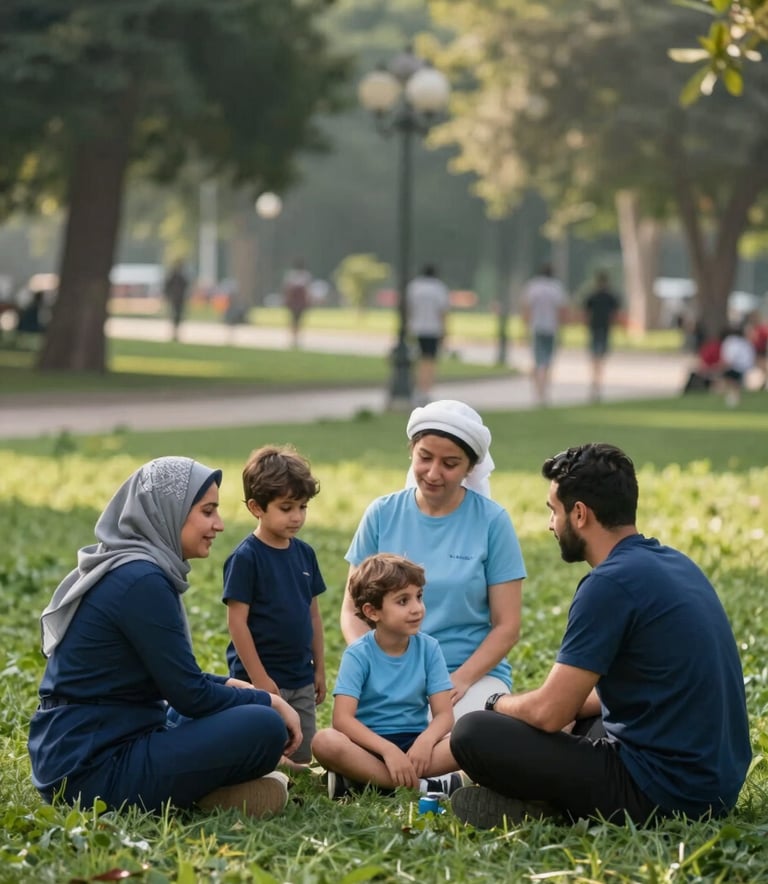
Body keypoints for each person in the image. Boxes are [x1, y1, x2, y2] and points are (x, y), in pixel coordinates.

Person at [449, 443, 751, 829]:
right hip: (715, 784)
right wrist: (563, 712)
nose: (550, 525)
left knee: (475, 732)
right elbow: (619, 692)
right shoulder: (674, 562)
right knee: (579, 720)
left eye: (552, 511)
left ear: (579, 514)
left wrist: (494, 702)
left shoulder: (608, 584)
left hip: (666, 795)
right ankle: (549, 801)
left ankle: (549, 810)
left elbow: (547, 712)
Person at [28, 456, 301, 817]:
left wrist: (242, 689)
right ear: (168, 511)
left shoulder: (135, 569)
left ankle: (199, 790)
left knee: (228, 709)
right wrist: (271, 703)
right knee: (264, 726)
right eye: (207, 511)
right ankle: (198, 793)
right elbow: (191, 695)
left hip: (93, 745)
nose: (219, 524)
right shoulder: (142, 580)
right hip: (90, 771)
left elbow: (176, 683)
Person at [340, 399, 527, 720]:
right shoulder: (382, 514)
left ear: (470, 467)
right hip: (391, 672)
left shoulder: (492, 522)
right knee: (351, 741)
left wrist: (461, 679)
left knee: (469, 738)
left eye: (450, 463)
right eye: (424, 457)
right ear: (412, 451)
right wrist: (375, 666)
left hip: (469, 676)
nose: (433, 473)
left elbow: (507, 626)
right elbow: (352, 610)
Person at [313, 554, 462, 798]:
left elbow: (444, 715)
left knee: (467, 738)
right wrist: (388, 750)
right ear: (372, 612)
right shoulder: (358, 654)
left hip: (417, 749)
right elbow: (342, 720)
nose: (417, 608)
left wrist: (425, 742)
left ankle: (363, 781)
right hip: (368, 746)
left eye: (419, 597)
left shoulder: (429, 648)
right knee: (325, 741)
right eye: (403, 601)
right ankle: (423, 787)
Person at [222, 445, 326, 771]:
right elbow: (237, 623)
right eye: (286, 507)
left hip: (300, 677)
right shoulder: (246, 558)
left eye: (302, 507)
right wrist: (259, 679)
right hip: (260, 681)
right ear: (257, 507)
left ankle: (292, 774)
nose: (297, 516)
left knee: (303, 754)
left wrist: (319, 668)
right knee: (262, 750)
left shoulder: (305, 554)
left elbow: (313, 615)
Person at [521, 263, 569, 406]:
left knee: (537, 360)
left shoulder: (533, 287)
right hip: (551, 328)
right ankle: (544, 391)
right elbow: (562, 310)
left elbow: (526, 308)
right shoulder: (556, 288)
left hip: (536, 327)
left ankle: (537, 391)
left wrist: (524, 328)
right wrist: (562, 329)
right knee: (547, 361)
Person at [406, 264, 450, 406]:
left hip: (416, 328)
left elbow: (409, 308)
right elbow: (442, 311)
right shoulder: (439, 288)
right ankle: (425, 390)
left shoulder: (414, 287)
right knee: (429, 361)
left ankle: (417, 389)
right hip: (432, 329)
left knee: (417, 361)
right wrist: (445, 331)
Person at [582, 270, 621, 402]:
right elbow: (614, 314)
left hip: (596, 329)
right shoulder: (609, 297)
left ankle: (596, 383)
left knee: (595, 358)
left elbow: (586, 314)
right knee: (599, 358)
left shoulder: (595, 296)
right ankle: (597, 383)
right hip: (603, 329)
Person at [719, 324, 755, 406]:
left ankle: (732, 398)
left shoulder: (730, 342)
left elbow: (729, 360)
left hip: (737, 368)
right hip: (744, 368)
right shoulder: (745, 342)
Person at [282, 259, 312, 348]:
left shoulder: (294, 276)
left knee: (297, 320)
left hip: (298, 301)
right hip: (296, 301)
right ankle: (294, 338)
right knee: (295, 320)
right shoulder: (297, 276)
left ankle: (296, 338)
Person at [164, 261, 189, 341]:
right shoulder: (174, 276)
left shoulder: (181, 277)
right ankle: (174, 333)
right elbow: (167, 287)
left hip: (179, 299)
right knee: (175, 316)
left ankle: (176, 333)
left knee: (178, 316)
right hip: (175, 299)